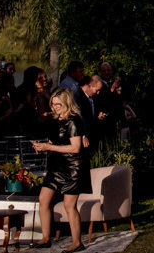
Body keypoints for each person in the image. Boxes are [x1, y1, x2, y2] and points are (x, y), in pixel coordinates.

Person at [29, 89, 90, 251]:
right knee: (43, 199)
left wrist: (50, 147)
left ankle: (77, 242)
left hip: (73, 167)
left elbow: (76, 148)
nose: (56, 107)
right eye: (53, 104)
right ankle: (45, 237)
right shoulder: (55, 120)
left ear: (67, 103)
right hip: (56, 166)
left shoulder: (73, 120)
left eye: (59, 104)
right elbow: (52, 141)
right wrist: (43, 147)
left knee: (69, 205)